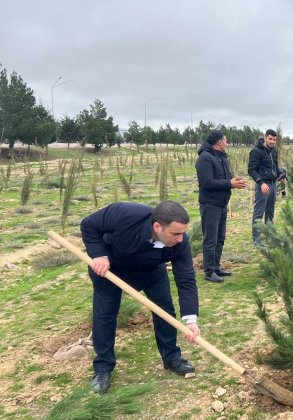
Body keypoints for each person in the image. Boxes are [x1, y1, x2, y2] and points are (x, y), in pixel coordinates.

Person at [80, 201, 201, 393]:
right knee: (105, 315)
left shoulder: (180, 244)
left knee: (164, 311)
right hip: (110, 268)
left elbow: (186, 279)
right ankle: (103, 368)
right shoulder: (125, 214)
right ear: (157, 226)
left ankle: (171, 358)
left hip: (150, 270)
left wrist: (190, 319)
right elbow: (88, 225)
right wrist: (99, 255)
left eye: (183, 233)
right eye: (175, 233)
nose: (180, 239)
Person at [196, 130, 248, 283]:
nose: (227, 143)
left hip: (222, 204)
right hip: (210, 204)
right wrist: (229, 183)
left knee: (220, 238)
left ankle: (216, 267)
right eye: (225, 141)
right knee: (210, 239)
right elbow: (206, 183)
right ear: (219, 142)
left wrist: (234, 181)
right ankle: (209, 271)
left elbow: (226, 178)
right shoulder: (205, 158)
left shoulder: (222, 158)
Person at [248, 129, 286, 244]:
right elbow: (251, 170)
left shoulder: (274, 151)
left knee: (270, 212)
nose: (272, 141)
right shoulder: (256, 151)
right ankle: (257, 239)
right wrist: (261, 183)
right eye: (270, 139)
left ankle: (270, 235)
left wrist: (281, 174)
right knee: (259, 213)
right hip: (262, 186)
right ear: (265, 137)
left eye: (274, 139)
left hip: (273, 184)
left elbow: (275, 166)